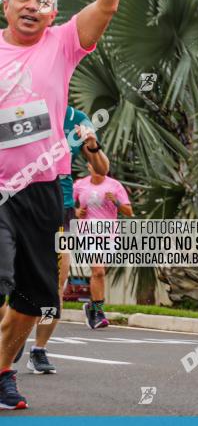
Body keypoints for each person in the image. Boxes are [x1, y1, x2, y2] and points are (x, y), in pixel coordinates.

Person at [0, 0, 127, 410]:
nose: (34, 6)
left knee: (32, 297)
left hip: (43, 188)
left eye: (44, 0)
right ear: (7, 3)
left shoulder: (62, 43)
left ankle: (3, 370)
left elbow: (107, 5)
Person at [21, 107, 110, 374]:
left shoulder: (76, 118)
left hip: (63, 207)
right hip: (23, 202)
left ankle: (38, 349)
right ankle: (9, 340)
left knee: (57, 282)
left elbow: (102, 168)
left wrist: (92, 146)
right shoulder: (24, 111)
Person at [73, 162, 132, 329]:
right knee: (98, 270)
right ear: (88, 166)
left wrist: (116, 203)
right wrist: (76, 212)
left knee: (100, 273)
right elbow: (66, 203)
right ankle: (99, 312)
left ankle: (92, 306)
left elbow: (129, 211)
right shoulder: (80, 185)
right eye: (93, 164)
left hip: (109, 235)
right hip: (87, 233)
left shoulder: (114, 185)